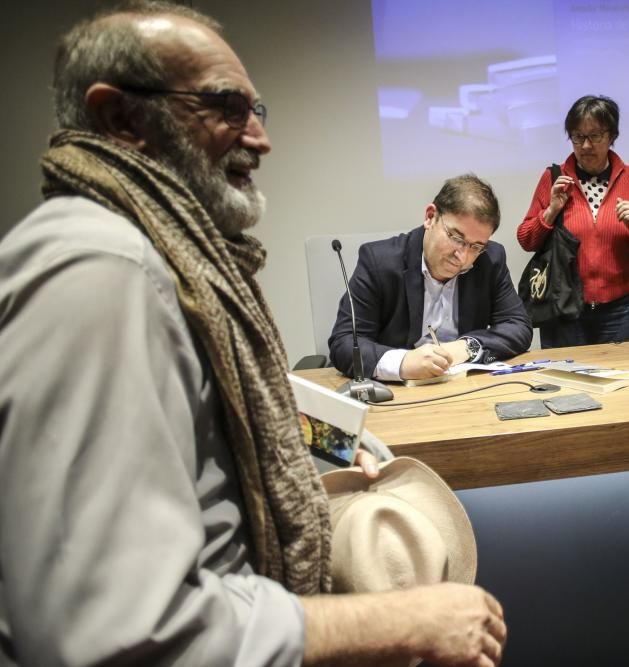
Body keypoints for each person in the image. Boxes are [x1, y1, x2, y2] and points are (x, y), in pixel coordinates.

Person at [0, 3, 506, 665]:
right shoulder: (105, 271)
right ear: (120, 118)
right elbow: (109, 629)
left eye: (256, 110)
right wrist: (397, 620)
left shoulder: (157, 255)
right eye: (222, 105)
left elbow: (201, 422)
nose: (259, 139)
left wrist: (321, 445)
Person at [328, 174, 531, 382]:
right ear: (430, 216)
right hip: (397, 392)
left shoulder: (489, 260)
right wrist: (402, 362)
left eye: (476, 246)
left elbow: (518, 325)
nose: (462, 255)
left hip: (462, 387)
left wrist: (466, 346)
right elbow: (343, 343)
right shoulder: (379, 262)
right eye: (456, 237)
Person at [518, 95, 629, 348]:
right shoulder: (554, 178)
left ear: (612, 136)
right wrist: (551, 211)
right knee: (565, 378)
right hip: (563, 304)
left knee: (615, 379)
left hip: (618, 307)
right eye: (577, 137)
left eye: (595, 136)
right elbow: (526, 239)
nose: (585, 145)